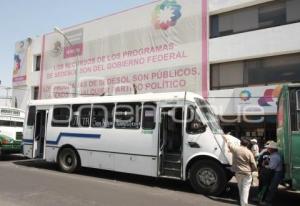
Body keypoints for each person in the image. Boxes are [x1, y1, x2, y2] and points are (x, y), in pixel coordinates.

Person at [222, 135, 258, 206]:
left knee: (240, 187)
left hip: (238, 172)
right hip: (247, 173)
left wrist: (226, 137)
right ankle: (244, 203)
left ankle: (242, 202)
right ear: (247, 144)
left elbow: (229, 144)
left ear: (241, 143)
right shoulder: (249, 152)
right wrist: (254, 170)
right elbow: (253, 163)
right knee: (245, 188)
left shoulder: (236, 149)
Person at [260, 141, 283, 206]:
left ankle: (268, 202)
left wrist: (264, 165)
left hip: (276, 173)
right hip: (275, 172)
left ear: (272, 149)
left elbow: (271, 167)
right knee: (271, 187)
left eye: (269, 148)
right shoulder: (274, 155)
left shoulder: (275, 156)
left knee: (272, 187)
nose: (268, 149)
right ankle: (268, 200)